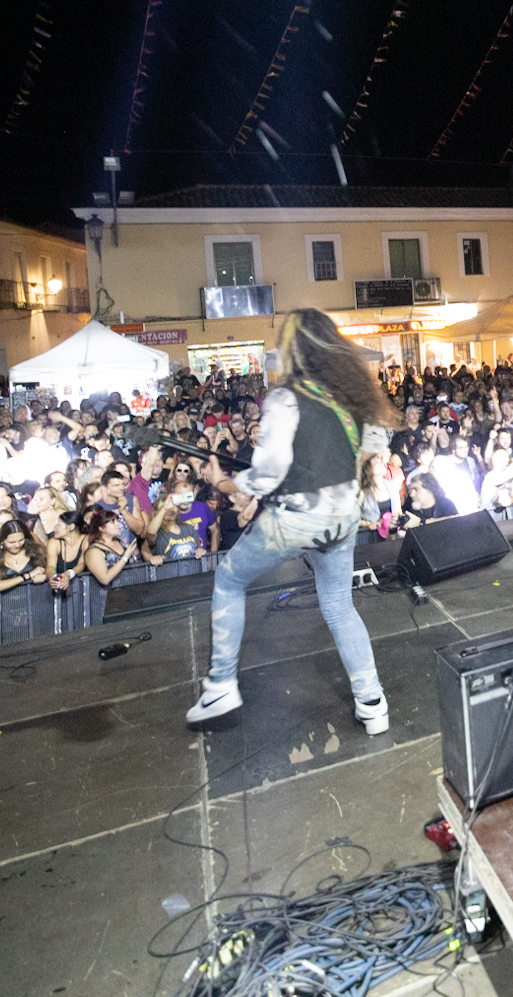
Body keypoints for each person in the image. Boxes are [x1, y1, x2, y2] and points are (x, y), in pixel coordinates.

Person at [191, 309, 399, 731]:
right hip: (343, 517)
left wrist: (222, 482)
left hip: (297, 519)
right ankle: (372, 703)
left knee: (229, 579)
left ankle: (220, 688)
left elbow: (267, 476)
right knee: (339, 606)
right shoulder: (352, 394)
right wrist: (339, 467)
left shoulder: (286, 398)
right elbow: (376, 439)